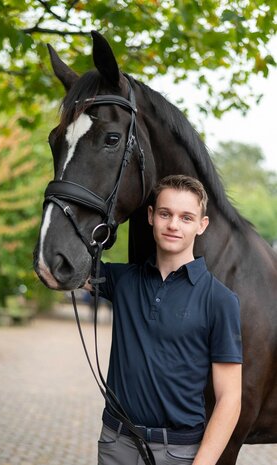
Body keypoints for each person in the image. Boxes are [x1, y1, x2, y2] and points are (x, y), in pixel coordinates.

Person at [85, 174, 242, 465]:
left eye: (186, 217)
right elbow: (61, 266)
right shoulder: (122, 280)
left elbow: (230, 399)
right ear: (150, 216)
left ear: (201, 225)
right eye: (165, 214)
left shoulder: (220, 300)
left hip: (179, 452)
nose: (173, 225)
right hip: (115, 443)